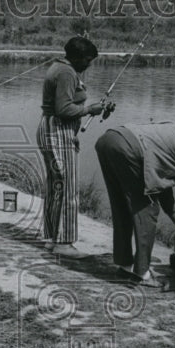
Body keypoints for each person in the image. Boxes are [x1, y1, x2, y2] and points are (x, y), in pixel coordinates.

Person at [95, 122, 175, 283]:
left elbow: (162, 185)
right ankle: (141, 273)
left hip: (110, 139)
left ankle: (124, 266)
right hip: (131, 148)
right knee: (147, 210)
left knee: (121, 205)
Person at [36, 36, 105, 258]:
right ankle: (64, 243)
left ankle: (52, 238)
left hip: (51, 128)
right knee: (67, 187)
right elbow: (64, 109)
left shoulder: (59, 67)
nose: (88, 64)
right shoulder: (66, 73)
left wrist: (94, 109)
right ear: (76, 57)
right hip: (58, 131)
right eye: (87, 59)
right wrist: (89, 110)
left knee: (57, 186)